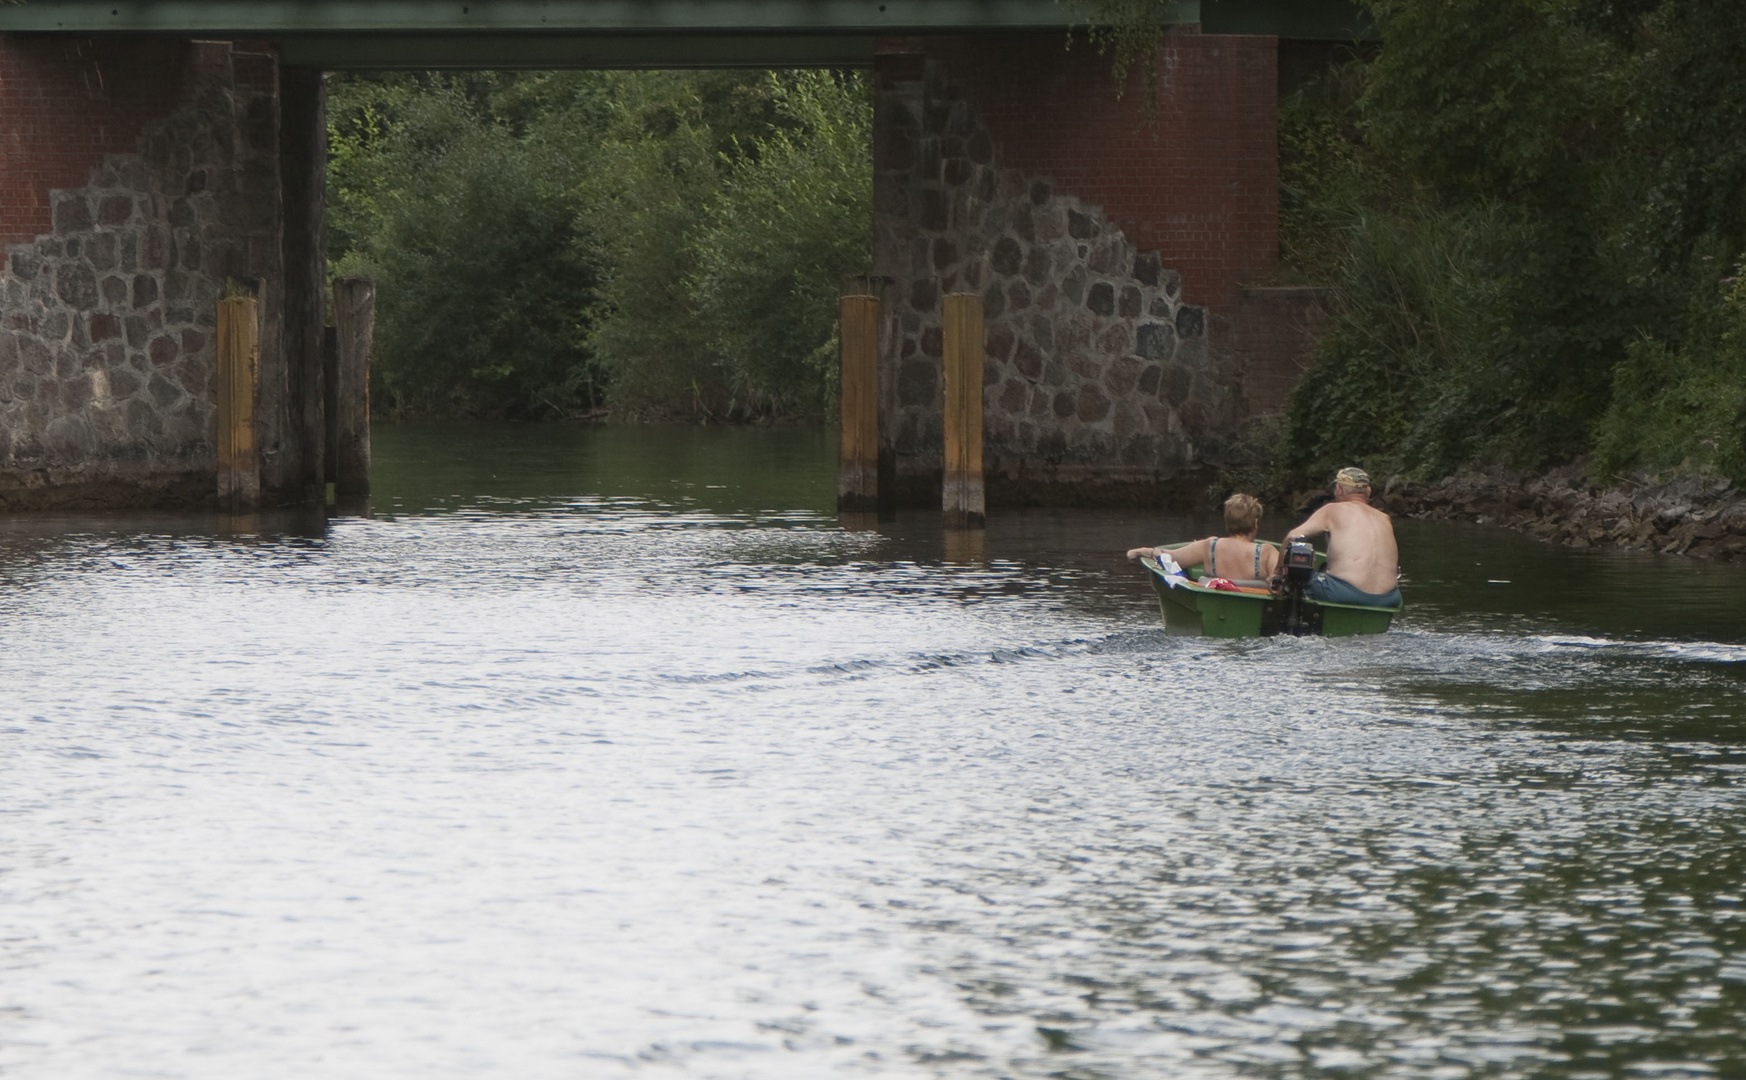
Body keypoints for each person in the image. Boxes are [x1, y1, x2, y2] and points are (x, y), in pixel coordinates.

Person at [1282, 466, 1401, 607]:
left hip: (1344, 593)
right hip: (1389, 599)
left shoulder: (1332, 510)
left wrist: (1277, 574)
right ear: (1368, 491)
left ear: (1339, 490)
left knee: (1297, 571)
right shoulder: (1384, 517)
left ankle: (1293, 621)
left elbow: (1292, 536)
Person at [1128, 493, 1280, 584]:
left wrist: (1142, 551)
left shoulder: (1210, 546)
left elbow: (1171, 557)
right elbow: (1279, 579)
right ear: (1256, 523)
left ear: (1227, 520)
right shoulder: (1267, 552)